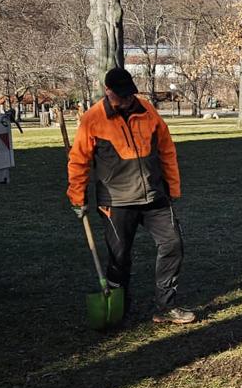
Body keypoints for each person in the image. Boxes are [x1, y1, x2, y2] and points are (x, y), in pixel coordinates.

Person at [66, 67, 195, 326]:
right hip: (116, 202)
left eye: (129, 95)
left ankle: (166, 306)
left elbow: (167, 149)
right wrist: (77, 196)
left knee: (173, 245)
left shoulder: (148, 111)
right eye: (121, 96)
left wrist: (173, 186)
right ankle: (118, 310)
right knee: (120, 258)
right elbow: (78, 160)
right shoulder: (92, 119)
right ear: (107, 91)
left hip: (155, 196)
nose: (126, 100)